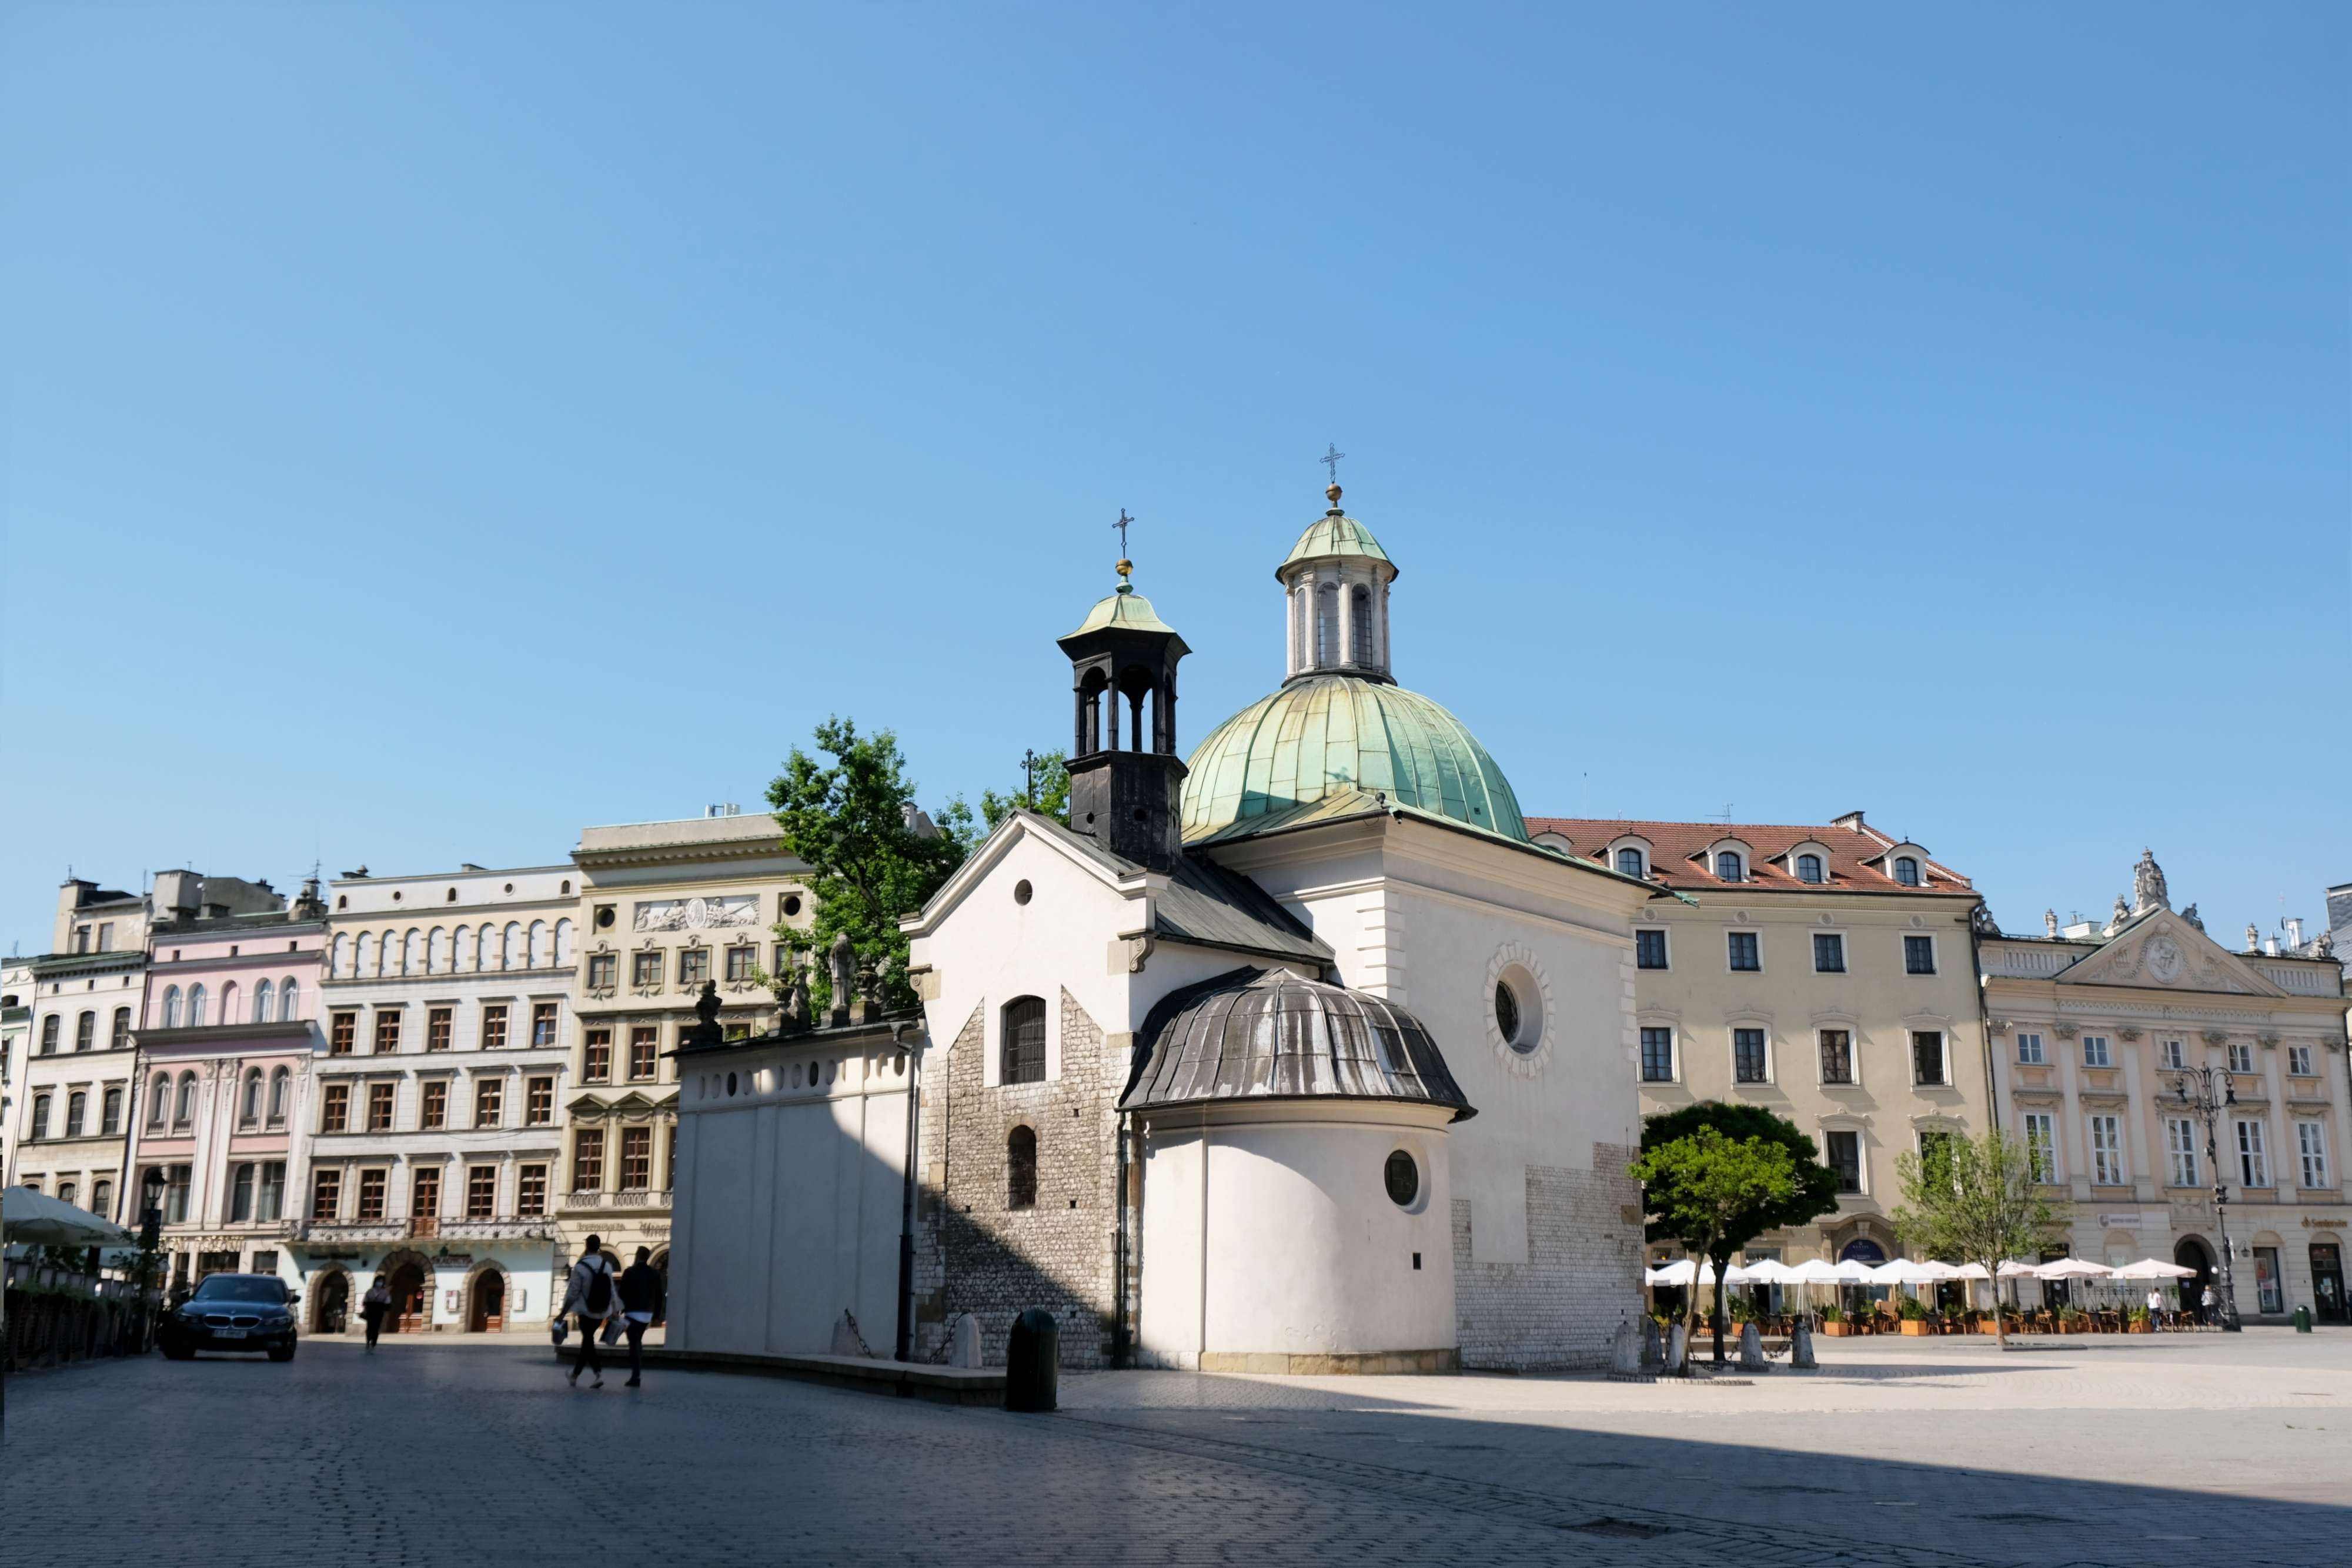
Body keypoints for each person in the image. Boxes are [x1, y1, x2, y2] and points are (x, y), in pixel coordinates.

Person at [561, 1235, 622, 1388]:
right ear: (599, 1247)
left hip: (585, 1311)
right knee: (588, 1342)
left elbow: (573, 1293)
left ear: (587, 1247)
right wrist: (615, 1310)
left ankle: (596, 1374)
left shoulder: (580, 1267)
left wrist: (563, 1312)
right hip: (601, 1312)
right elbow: (612, 1291)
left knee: (588, 1342)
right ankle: (577, 1375)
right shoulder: (607, 1266)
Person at [617, 1246, 664, 1388]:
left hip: (632, 1313)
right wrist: (657, 1315)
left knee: (634, 1343)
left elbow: (622, 1294)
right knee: (637, 1341)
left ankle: (636, 1376)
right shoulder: (655, 1273)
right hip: (647, 1314)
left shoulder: (629, 1272)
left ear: (637, 1255)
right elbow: (660, 1296)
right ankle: (636, 1373)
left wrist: (618, 1311)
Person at [360, 1275, 393, 1352]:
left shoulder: (385, 1293)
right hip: (370, 1310)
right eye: (379, 1281)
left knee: (376, 1327)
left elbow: (388, 1303)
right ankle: (368, 1341)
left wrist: (385, 1311)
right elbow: (365, 1301)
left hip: (379, 1310)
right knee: (370, 1327)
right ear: (375, 1282)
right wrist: (365, 1308)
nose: (380, 1283)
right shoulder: (370, 1291)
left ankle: (373, 1342)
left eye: (381, 1281)